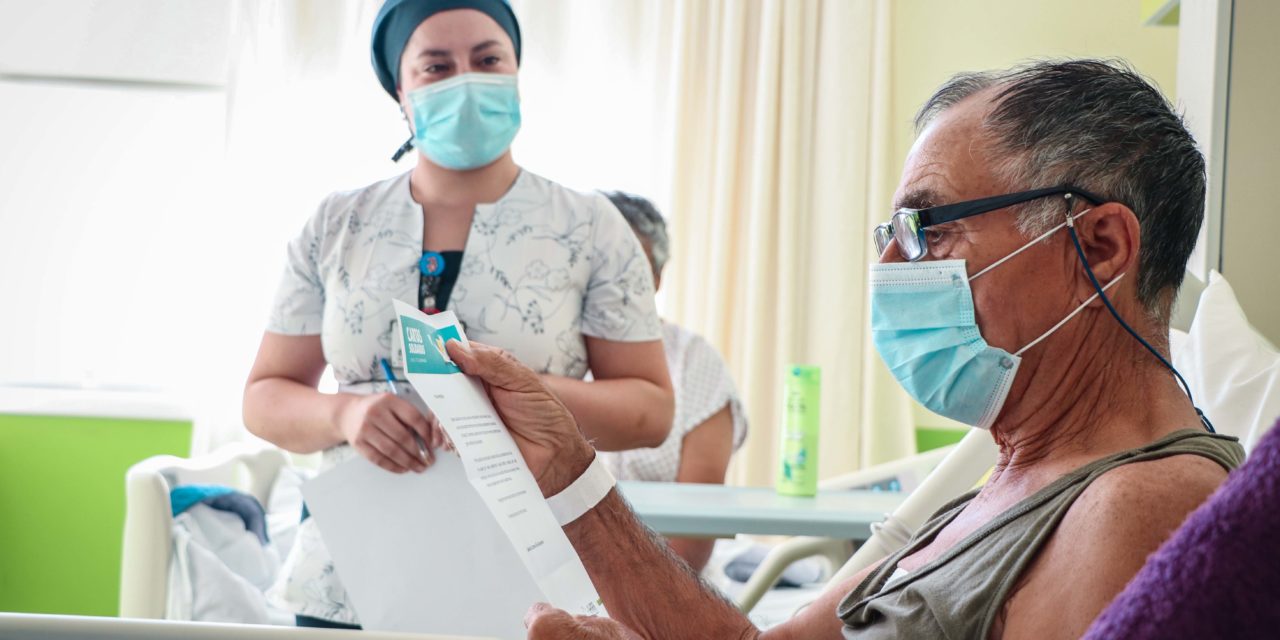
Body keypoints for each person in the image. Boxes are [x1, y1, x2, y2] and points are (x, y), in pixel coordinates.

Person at [442, 59, 1248, 639]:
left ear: (1099, 245)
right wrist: (563, 463)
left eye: (926, 227)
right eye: (889, 235)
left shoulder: (1138, 512)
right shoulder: (1005, 484)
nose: (891, 266)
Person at [241, 0, 673, 628]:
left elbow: (650, 412)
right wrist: (346, 412)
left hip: (531, 580)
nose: (465, 80)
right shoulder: (337, 224)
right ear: (400, 91)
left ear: (516, 71)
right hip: (351, 579)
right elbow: (263, 397)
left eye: (487, 59)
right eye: (436, 67)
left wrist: (521, 395)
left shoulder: (590, 228)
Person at [596, 191, 749, 572]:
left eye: (629, 266)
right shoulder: (551, 358)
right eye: (596, 262)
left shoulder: (695, 364)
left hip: (667, 586)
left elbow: (696, 531)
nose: (611, 281)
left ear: (657, 278)